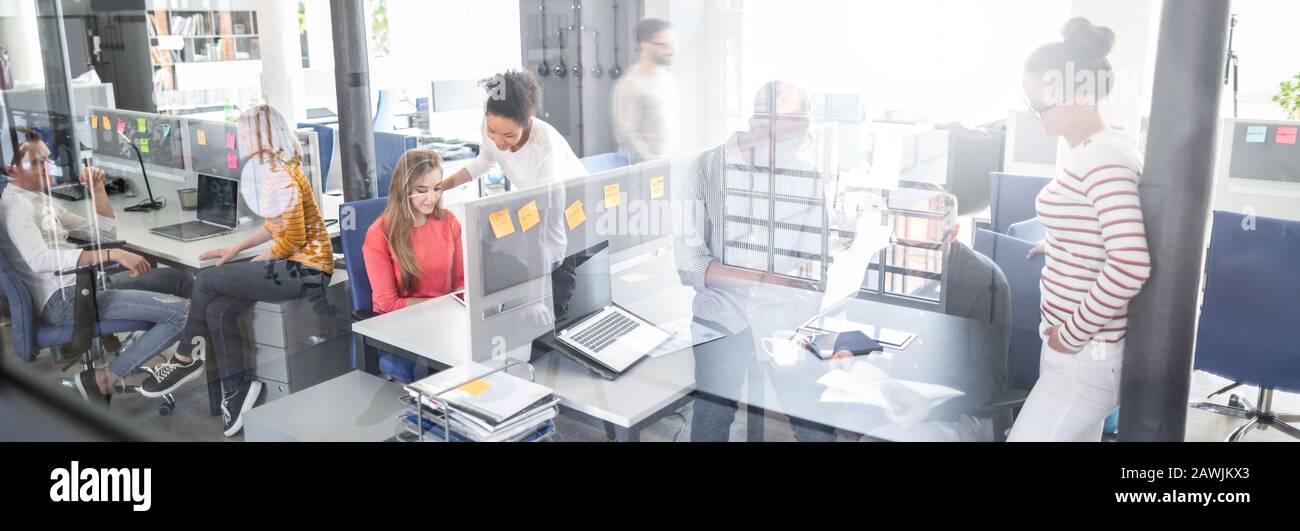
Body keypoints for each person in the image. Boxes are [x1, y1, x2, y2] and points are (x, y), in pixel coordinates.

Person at [1007, 18, 1151, 442]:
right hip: (1072, 348)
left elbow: (1130, 263)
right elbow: (1098, 224)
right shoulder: (1098, 146)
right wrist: (1061, 241)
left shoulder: (1102, 158)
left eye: (1043, 106)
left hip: (1084, 354)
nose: (1035, 117)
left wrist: (1070, 335)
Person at [676, 81, 836, 442]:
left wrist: (798, 328)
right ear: (755, 123)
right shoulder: (704, 168)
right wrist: (764, 279)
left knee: (817, 429)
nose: (791, 150)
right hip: (722, 316)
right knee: (711, 423)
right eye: (784, 138)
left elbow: (816, 267)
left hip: (786, 321)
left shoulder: (807, 177)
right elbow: (689, 264)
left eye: (799, 139)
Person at [174, 105, 335, 437]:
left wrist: (252, 264)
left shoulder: (278, 172)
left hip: (306, 270)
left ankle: (183, 355)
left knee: (205, 280)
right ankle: (236, 393)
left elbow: (294, 238)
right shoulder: (273, 167)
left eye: (246, 133)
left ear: (265, 136)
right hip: (294, 265)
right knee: (217, 309)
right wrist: (236, 250)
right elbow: (275, 226)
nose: (240, 139)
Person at [0, 138, 195, 407]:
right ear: (11, 170)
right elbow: (39, 259)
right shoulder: (16, 207)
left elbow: (103, 234)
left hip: (87, 285)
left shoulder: (37, 198)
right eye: (37, 162)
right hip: (67, 300)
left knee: (179, 278)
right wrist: (112, 254)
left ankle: (141, 340)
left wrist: (98, 190)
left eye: (48, 159)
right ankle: (106, 378)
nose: (48, 167)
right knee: (184, 314)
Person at [362, 148, 464, 382]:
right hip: (406, 327)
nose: (432, 198)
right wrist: (439, 307)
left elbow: (461, 282)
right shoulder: (380, 235)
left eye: (437, 188)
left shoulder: (449, 221)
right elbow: (386, 303)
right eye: (422, 190)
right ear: (403, 190)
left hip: (447, 323)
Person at [435, 70, 587, 193]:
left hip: (574, 201)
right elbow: (483, 163)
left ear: (526, 123)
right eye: (491, 130)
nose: (498, 141)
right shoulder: (490, 122)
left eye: (509, 135)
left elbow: (548, 202)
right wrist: (441, 187)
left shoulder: (544, 146)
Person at [613, 18, 678, 164]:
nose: (670, 50)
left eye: (672, 44)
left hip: (667, 166)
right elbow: (627, 133)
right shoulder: (631, 83)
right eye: (664, 45)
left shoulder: (667, 79)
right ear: (645, 46)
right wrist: (652, 164)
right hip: (643, 172)